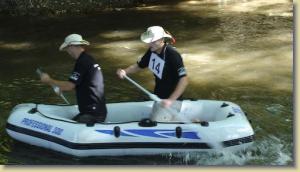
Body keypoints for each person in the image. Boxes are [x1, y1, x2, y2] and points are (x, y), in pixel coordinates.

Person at [116, 26, 188, 121]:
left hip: (172, 100)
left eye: (153, 41)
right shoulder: (152, 51)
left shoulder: (173, 55)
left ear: (162, 40)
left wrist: (171, 100)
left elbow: (184, 80)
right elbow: (139, 66)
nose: (150, 44)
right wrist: (125, 71)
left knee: (155, 123)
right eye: (149, 41)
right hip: (159, 97)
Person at [40, 33, 107, 124]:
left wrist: (49, 80)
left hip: (92, 114)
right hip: (94, 111)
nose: (68, 52)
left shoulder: (82, 62)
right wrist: (60, 88)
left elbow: (69, 86)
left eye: (67, 48)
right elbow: (82, 84)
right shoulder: (88, 59)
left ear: (71, 46)